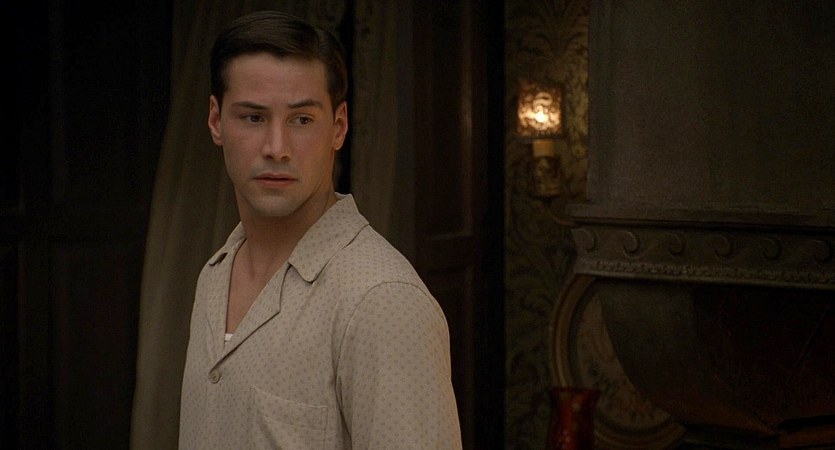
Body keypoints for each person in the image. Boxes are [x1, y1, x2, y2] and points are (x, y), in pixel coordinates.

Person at [177, 10, 462, 449]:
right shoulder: (214, 276)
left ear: (339, 127)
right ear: (216, 121)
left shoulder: (382, 299)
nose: (277, 148)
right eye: (253, 118)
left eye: (302, 120)